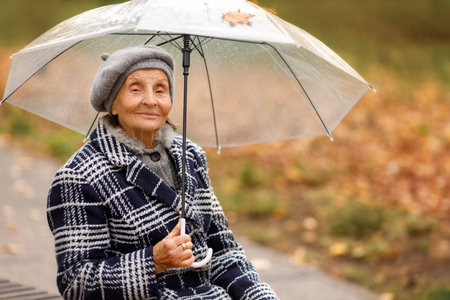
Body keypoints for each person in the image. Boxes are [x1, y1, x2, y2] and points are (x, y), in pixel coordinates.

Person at [47, 45, 278, 300]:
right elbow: (77, 283)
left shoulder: (190, 156)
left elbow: (223, 250)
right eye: (135, 89)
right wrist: (154, 261)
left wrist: (258, 296)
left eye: (160, 90)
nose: (151, 100)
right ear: (112, 103)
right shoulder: (80, 176)